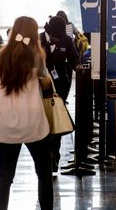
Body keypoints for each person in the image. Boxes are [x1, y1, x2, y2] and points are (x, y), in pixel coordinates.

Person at [0, 16, 53, 210]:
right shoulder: (36, 56)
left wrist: (2, 117)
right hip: (34, 123)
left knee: (5, 175)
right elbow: (46, 82)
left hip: (7, 124)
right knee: (43, 173)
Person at [40, 15, 80, 173]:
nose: (58, 39)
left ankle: (53, 156)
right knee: (43, 119)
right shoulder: (39, 39)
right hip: (41, 85)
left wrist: (78, 67)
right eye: (56, 36)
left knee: (56, 118)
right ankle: (43, 154)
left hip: (61, 84)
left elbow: (74, 57)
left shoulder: (67, 40)